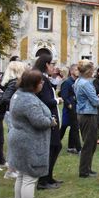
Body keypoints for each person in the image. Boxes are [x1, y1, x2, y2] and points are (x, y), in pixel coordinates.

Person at [8, 69, 57, 198]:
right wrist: (51, 121)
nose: (42, 84)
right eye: (40, 82)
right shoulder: (28, 100)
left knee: (22, 175)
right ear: (33, 84)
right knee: (30, 177)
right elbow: (38, 121)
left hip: (19, 138)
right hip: (28, 141)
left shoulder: (18, 95)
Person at [33, 54, 63, 189]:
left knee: (55, 147)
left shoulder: (44, 78)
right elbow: (45, 100)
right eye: (52, 64)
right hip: (48, 117)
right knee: (52, 147)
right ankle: (43, 180)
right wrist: (57, 100)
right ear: (46, 64)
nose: (54, 67)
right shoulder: (41, 78)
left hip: (51, 117)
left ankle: (49, 177)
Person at [1, 61, 28, 179]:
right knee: (15, 141)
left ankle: (13, 167)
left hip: (10, 113)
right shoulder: (13, 83)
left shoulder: (10, 82)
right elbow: (6, 98)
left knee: (15, 140)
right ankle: (11, 169)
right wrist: (17, 105)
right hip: (11, 114)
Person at [74, 60, 99, 178]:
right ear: (88, 71)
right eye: (92, 70)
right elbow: (95, 101)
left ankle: (87, 168)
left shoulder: (78, 81)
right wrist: (98, 98)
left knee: (91, 142)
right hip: (88, 114)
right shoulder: (86, 84)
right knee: (89, 143)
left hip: (82, 113)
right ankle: (84, 170)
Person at [60, 64, 82, 154]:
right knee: (64, 127)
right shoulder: (67, 82)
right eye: (77, 69)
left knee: (74, 128)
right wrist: (69, 104)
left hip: (76, 107)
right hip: (69, 109)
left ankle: (71, 146)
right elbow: (64, 96)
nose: (79, 71)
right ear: (72, 71)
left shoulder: (77, 81)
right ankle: (54, 144)